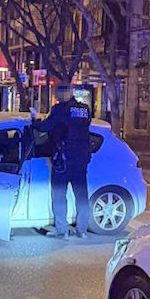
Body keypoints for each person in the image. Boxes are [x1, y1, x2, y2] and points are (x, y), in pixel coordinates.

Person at [32, 85, 93, 238]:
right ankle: (82, 230)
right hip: (81, 159)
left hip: (64, 159)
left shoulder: (60, 110)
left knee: (59, 195)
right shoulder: (85, 109)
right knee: (81, 195)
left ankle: (62, 230)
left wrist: (34, 118)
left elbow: (44, 127)